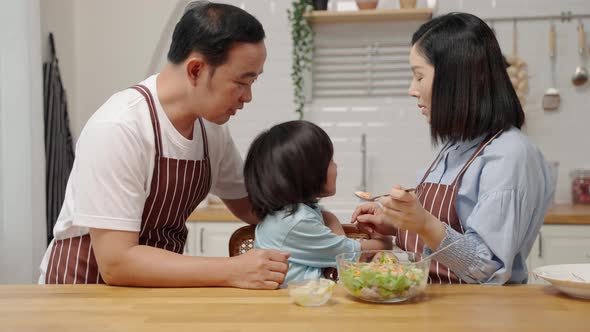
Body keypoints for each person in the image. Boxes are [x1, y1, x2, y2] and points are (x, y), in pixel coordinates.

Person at [39, 1, 290, 289]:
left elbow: (253, 206)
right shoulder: (120, 127)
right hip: (82, 294)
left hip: (150, 295)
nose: (247, 97)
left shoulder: (211, 130)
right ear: (196, 70)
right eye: (241, 82)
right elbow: (117, 263)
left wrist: (318, 216)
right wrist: (232, 270)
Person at [352, 12, 554, 285]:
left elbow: (485, 267)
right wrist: (396, 223)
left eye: (419, 77)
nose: (412, 89)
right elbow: (444, 235)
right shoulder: (455, 147)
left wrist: (422, 222)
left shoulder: (509, 154)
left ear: (456, 78)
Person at [245, 120, 393, 286]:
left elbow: (341, 255)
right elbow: (352, 254)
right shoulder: (297, 222)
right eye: (330, 161)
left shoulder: (290, 214)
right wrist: (384, 239)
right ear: (309, 172)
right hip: (290, 307)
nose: (335, 166)